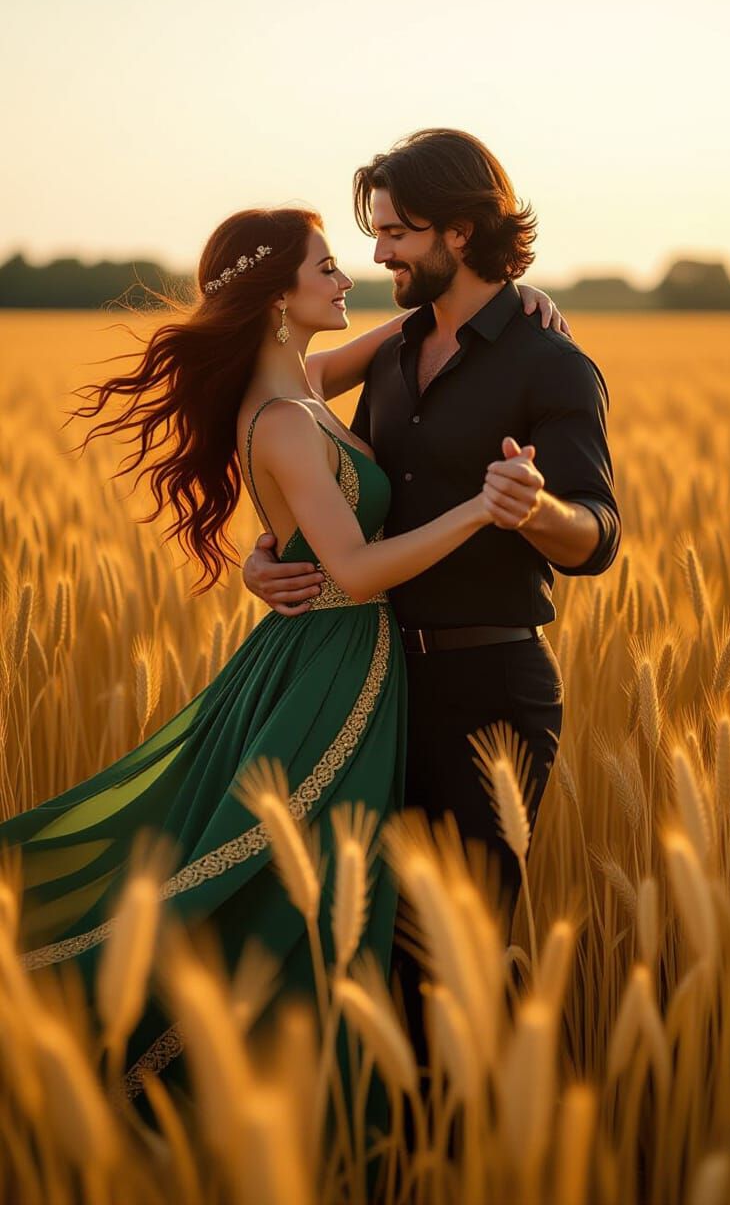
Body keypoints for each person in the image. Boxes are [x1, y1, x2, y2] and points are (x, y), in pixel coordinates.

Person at [0, 202, 560, 1101]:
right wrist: (482, 509)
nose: (346, 279)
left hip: (349, 659)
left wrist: (514, 297)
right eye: (327, 266)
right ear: (276, 298)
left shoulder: (305, 384)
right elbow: (357, 569)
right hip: (332, 671)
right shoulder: (287, 421)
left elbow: (403, 332)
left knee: (320, 883)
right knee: (284, 882)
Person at [242, 129, 622, 1046]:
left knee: (458, 965)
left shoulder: (551, 364)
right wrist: (269, 556)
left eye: (398, 234)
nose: (376, 255)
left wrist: (533, 510)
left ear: (460, 232)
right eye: (372, 234)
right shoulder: (391, 358)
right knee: (366, 956)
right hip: (372, 690)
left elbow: (599, 537)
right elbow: (319, 472)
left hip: (491, 693)